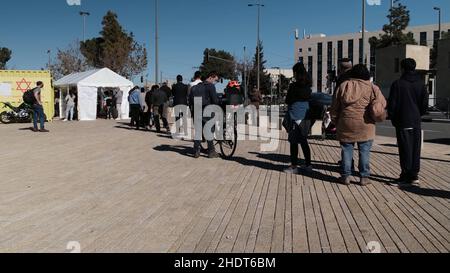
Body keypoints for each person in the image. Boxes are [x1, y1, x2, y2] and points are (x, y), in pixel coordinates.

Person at [330, 64, 386, 186]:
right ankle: (364, 177)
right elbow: (382, 103)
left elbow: (334, 106)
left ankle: (345, 176)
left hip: (346, 122)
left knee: (346, 150)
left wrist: (335, 120)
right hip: (366, 124)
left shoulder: (343, 86)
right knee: (364, 151)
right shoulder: (372, 88)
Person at [388, 58, 429, 187]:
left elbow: (392, 105)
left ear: (403, 68)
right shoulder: (421, 84)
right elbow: (424, 105)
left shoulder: (398, 84)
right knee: (415, 149)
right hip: (416, 120)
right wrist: (418, 114)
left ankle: (405, 176)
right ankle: (414, 175)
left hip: (403, 120)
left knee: (405, 149)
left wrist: (394, 119)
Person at [284, 63, 313, 174]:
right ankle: (308, 164)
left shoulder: (293, 86)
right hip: (305, 115)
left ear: (296, 73)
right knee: (304, 142)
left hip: (294, 115)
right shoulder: (308, 86)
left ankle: (294, 166)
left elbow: (288, 100)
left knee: (293, 142)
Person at [189, 71, 220, 159]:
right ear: (210, 77)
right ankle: (211, 152)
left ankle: (196, 150)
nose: (215, 82)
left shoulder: (194, 87)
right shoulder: (210, 86)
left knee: (198, 131)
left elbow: (190, 101)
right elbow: (215, 101)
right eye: (215, 80)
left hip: (196, 110)